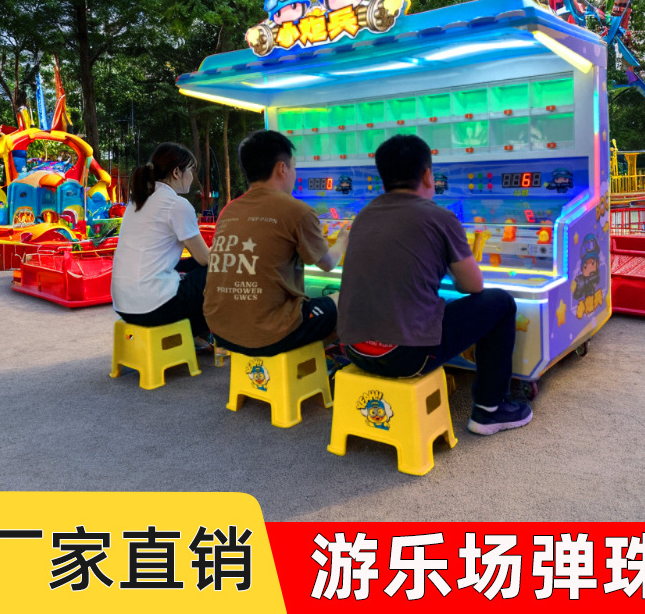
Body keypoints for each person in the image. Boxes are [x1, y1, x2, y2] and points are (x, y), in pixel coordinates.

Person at [336, 134, 532, 436]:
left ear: (383, 177)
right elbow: (472, 286)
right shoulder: (440, 217)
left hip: (355, 350)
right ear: (428, 175)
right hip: (405, 357)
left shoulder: (363, 216)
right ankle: (490, 409)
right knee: (500, 302)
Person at [204, 129, 349, 356]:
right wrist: (343, 240)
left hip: (221, 331)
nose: (294, 174)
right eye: (294, 167)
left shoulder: (229, 210)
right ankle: (312, 360)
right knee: (347, 300)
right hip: (270, 334)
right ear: (282, 168)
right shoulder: (297, 210)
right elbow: (328, 263)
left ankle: (305, 360)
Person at [111, 143, 211, 347]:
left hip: (124, 306)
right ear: (177, 172)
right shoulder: (176, 205)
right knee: (219, 271)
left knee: (189, 268)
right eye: (191, 170)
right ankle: (198, 332)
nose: (192, 177)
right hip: (154, 309)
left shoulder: (138, 201)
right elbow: (206, 259)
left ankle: (194, 334)